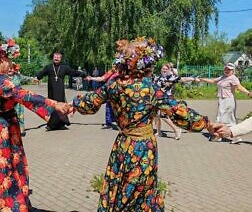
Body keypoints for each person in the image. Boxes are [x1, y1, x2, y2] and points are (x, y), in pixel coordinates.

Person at [72, 37, 214, 211]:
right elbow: (179, 112)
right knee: (140, 193)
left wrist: (72, 104)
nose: (153, 67)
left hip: (122, 145)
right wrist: (207, 124)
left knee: (119, 186)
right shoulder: (150, 88)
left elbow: (89, 103)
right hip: (142, 148)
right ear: (144, 66)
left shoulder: (114, 86)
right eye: (152, 64)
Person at [0, 39, 72, 211]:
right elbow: (22, 94)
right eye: (10, 60)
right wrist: (56, 104)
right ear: (0, 59)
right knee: (1, 172)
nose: (11, 64)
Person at [196, 62, 251, 141]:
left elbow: (239, 87)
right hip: (222, 100)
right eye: (226, 68)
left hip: (228, 100)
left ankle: (218, 136)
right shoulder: (223, 77)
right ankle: (236, 137)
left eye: (229, 69)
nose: (227, 70)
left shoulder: (233, 78)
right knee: (229, 119)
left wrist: (248, 93)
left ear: (233, 71)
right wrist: (202, 79)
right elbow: (213, 81)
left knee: (221, 117)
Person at [36, 51, 87, 131]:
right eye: (55, 57)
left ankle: (61, 124)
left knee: (61, 106)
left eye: (58, 57)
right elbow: (41, 73)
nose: (56, 58)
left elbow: (73, 72)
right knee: (53, 106)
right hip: (51, 91)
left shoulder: (64, 67)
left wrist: (83, 74)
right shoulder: (48, 67)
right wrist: (37, 77)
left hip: (60, 91)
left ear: (61, 58)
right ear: (53, 58)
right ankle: (51, 125)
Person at [8, 63, 39, 136]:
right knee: (10, 115)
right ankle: (10, 130)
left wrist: (34, 79)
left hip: (19, 99)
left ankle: (21, 130)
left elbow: (26, 78)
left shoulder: (18, 76)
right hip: (8, 100)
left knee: (19, 114)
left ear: (14, 69)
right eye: (8, 68)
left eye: (12, 68)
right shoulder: (3, 77)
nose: (10, 69)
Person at [87, 64, 119, 129]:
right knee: (109, 107)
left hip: (119, 93)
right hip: (110, 93)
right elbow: (102, 78)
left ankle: (118, 123)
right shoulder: (111, 72)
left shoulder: (123, 72)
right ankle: (109, 123)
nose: (113, 66)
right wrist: (92, 78)